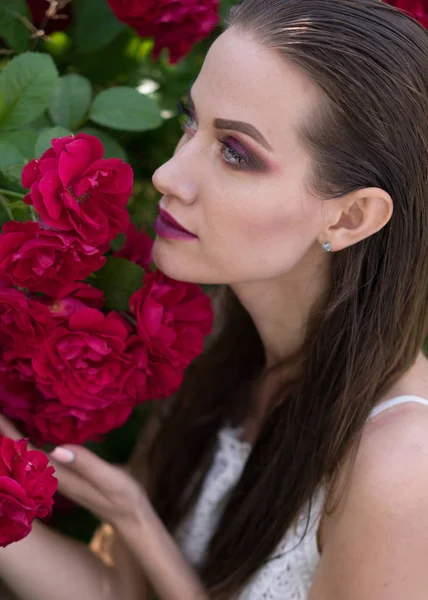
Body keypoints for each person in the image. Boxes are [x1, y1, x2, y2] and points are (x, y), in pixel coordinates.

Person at [1, 0, 428, 598]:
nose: (168, 176)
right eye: (190, 122)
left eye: (235, 153)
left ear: (352, 216)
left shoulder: (404, 467)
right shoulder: (211, 348)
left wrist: (140, 525)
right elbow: (119, 595)